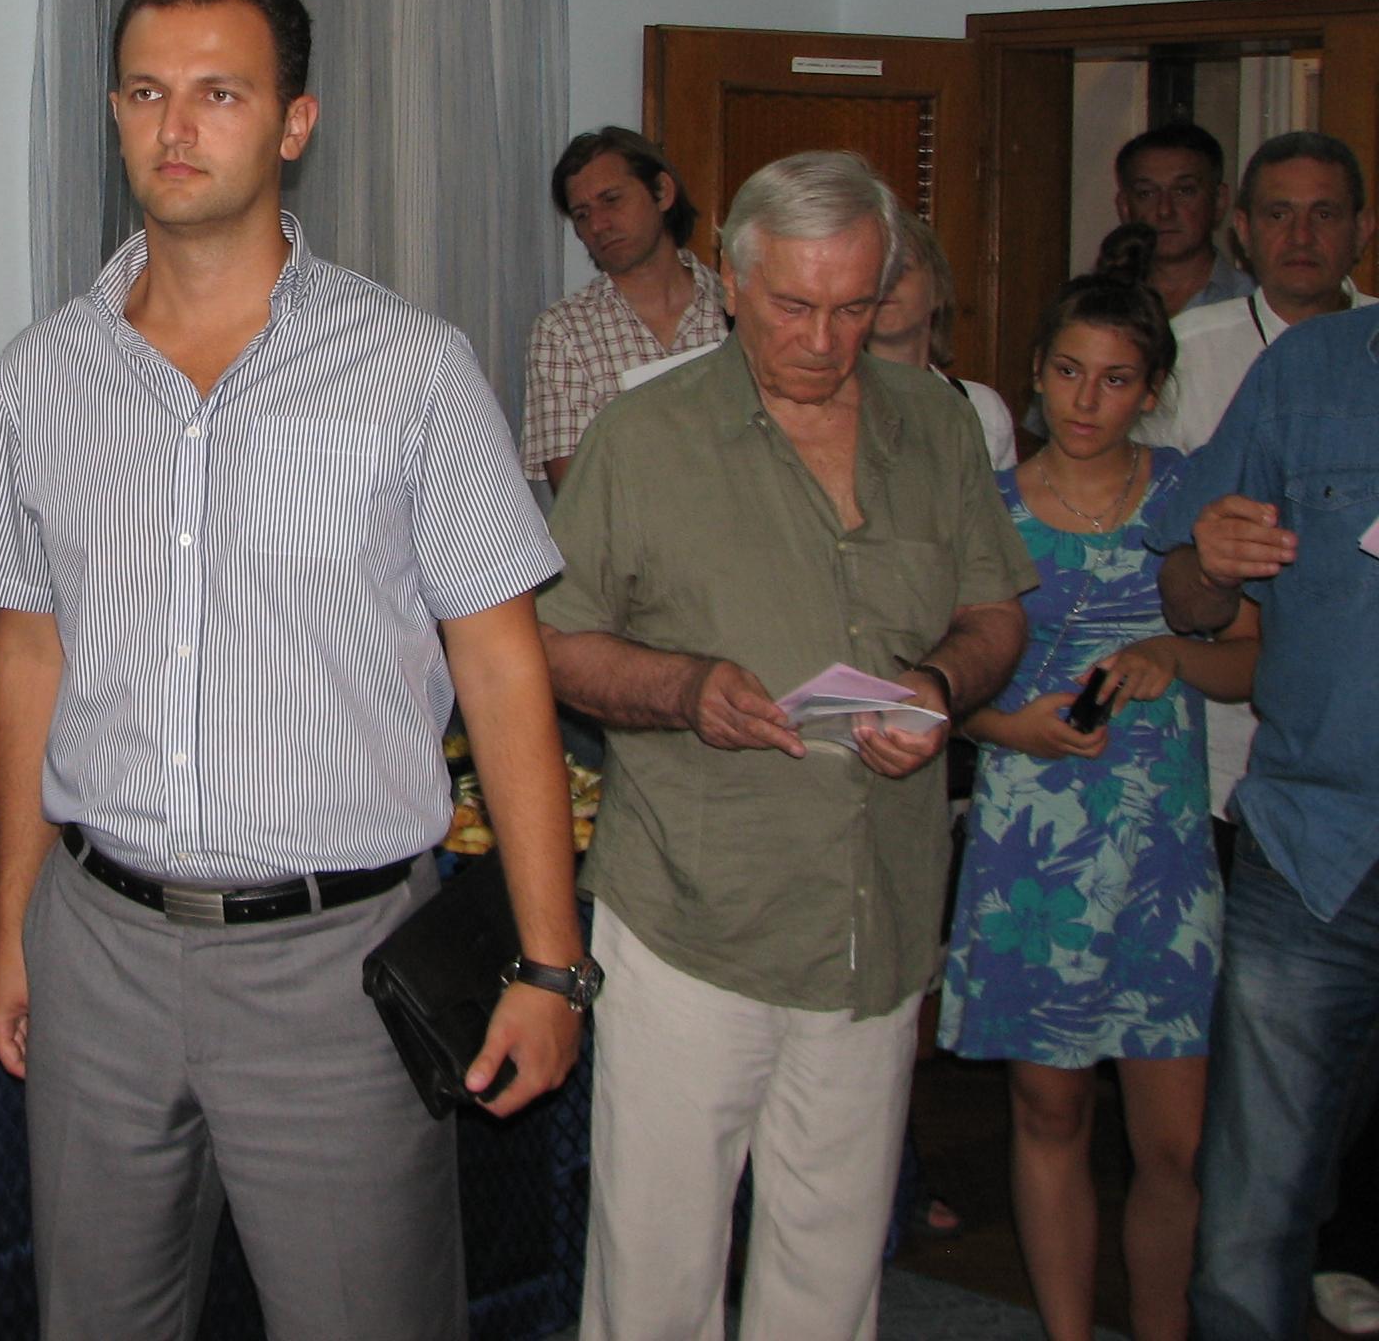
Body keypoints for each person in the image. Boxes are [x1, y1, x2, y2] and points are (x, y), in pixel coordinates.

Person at [0, 0, 586, 1341]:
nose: (174, 128)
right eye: (144, 93)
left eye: (219, 94)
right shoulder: (44, 376)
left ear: (295, 122)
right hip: (100, 950)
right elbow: (31, 656)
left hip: (338, 966)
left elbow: (501, 667)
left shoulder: (413, 370)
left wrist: (550, 963)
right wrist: (15, 929)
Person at [538, 149, 1034, 1341]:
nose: (824, 339)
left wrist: (936, 687)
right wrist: (686, 688)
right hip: (694, 915)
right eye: (795, 306)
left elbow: (995, 614)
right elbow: (551, 646)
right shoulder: (645, 436)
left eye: (855, 308)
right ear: (734, 282)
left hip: (874, 911)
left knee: (832, 1262)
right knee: (656, 1271)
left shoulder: (937, 425)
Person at [940, 228, 1255, 1341]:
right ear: (1036, 370)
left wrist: (1173, 656)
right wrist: (1005, 725)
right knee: (1048, 1111)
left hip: (1163, 852)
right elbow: (935, 686)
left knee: (1176, 1142)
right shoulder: (984, 504)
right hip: (1031, 846)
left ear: (1153, 390)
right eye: (1069, 371)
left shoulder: (1192, 496)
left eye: (1117, 379)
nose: (1087, 399)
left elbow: (1252, 660)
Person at [1149, 299, 1379, 1341]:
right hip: (1312, 845)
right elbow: (1189, 596)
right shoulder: (1308, 371)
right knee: (1251, 1219)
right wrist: (1209, 561)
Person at [1142, 131, 1372, 829]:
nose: (1301, 235)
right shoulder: (1184, 351)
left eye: (1324, 213)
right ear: (1241, 229)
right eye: (1278, 214)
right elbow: (1158, 559)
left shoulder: (1369, 347)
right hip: (1218, 741)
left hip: (1353, 747)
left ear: (1363, 229)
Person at [521, 125, 727, 490]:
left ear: (662, 192)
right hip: (629, 528)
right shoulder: (564, 332)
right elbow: (578, 496)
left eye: (612, 200)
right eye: (582, 214)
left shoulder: (740, 310)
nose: (598, 224)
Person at [867, 213, 1016, 471]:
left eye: (900, 268)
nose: (885, 283)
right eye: (874, 269)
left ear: (937, 287)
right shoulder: (825, 403)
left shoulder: (983, 407)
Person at [1114, 122, 1252, 318]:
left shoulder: (1257, 306)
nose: (1165, 210)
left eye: (1184, 191)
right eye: (1146, 193)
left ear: (1219, 201)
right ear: (1125, 208)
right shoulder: (1099, 308)